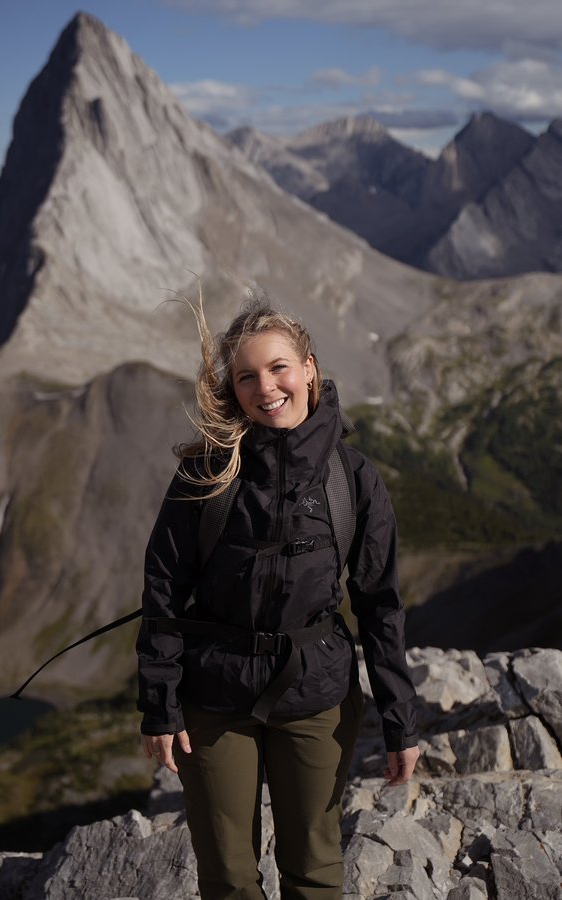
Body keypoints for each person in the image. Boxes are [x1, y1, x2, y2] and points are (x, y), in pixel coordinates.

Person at [136, 298, 420, 900]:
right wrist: (159, 705)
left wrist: (400, 723)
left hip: (315, 693)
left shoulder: (353, 477)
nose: (266, 388)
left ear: (310, 368)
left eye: (279, 368)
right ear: (231, 388)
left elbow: (380, 604)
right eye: (246, 376)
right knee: (228, 879)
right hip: (213, 696)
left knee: (314, 871)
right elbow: (163, 588)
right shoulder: (206, 474)